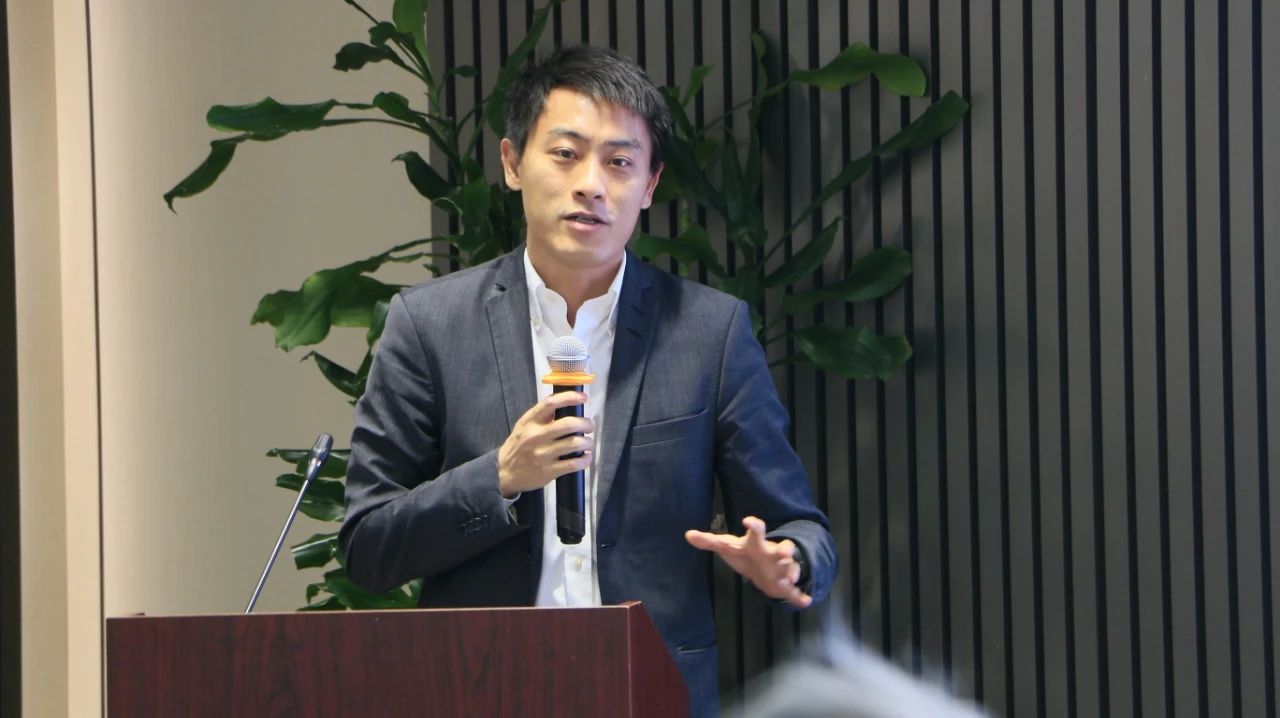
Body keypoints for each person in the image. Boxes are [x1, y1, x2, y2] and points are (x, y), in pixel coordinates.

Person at [339, 45, 837, 717]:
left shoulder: (708, 333)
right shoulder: (429, 326)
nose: (591, 185)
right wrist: (500, 478)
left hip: (649, 697)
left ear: (651, 185)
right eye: (566, 154)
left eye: (620, 162)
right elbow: (368, 545)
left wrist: (788, 561)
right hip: (480, 692)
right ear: (512, 163)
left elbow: (800, 526)